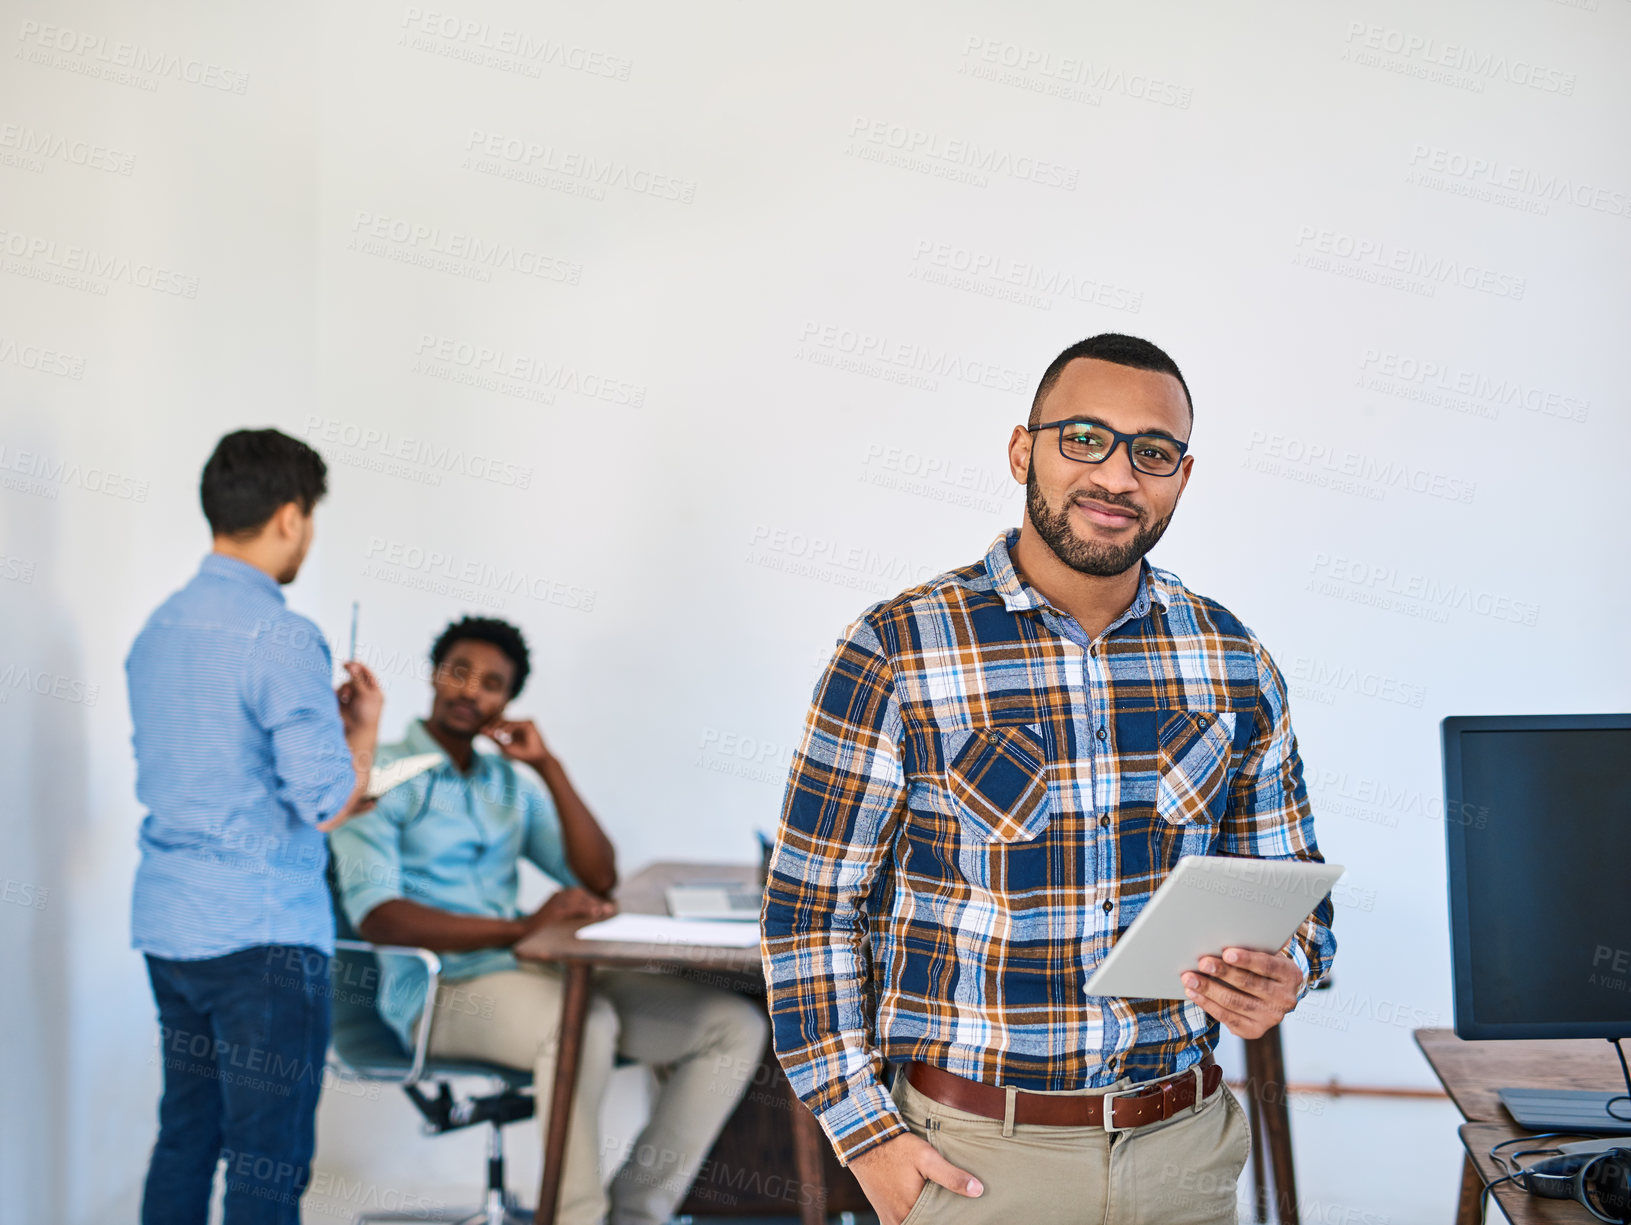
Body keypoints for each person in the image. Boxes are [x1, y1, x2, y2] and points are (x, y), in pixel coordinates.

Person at [762, 333, 1338, 1225]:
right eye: (1083, 439)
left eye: (1151, 452)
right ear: (1022, 450)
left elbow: (1292, 895)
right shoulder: (897, 649)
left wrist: (1288, 967)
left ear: (1181, 478)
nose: (1116, 476)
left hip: (1183, 1152)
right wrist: (865, 1133)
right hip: (976, 1160)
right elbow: (809, 910)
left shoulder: (1233, 661)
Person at [329, 616, 768, 1225]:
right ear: (434, 673)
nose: (470, 690)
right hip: (440, 991)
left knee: (731, 1025)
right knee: (582, 1024)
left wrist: (549, 767)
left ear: (506, 701)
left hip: (532, 973)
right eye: (459, 671)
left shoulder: (505, 782)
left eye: (491, 683)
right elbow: (379, 919)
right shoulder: (378, 777)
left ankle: (638, 1212)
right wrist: (521, 928)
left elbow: (597, 877)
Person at [128, 428, 383, 1225]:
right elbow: (324, 802)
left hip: (172, 927)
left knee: (187, 1137)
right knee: (268, 1165)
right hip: (261, 935)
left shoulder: (156, 631)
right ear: (288, 516)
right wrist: (362, 733)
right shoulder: (281, 635)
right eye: (308, 517)